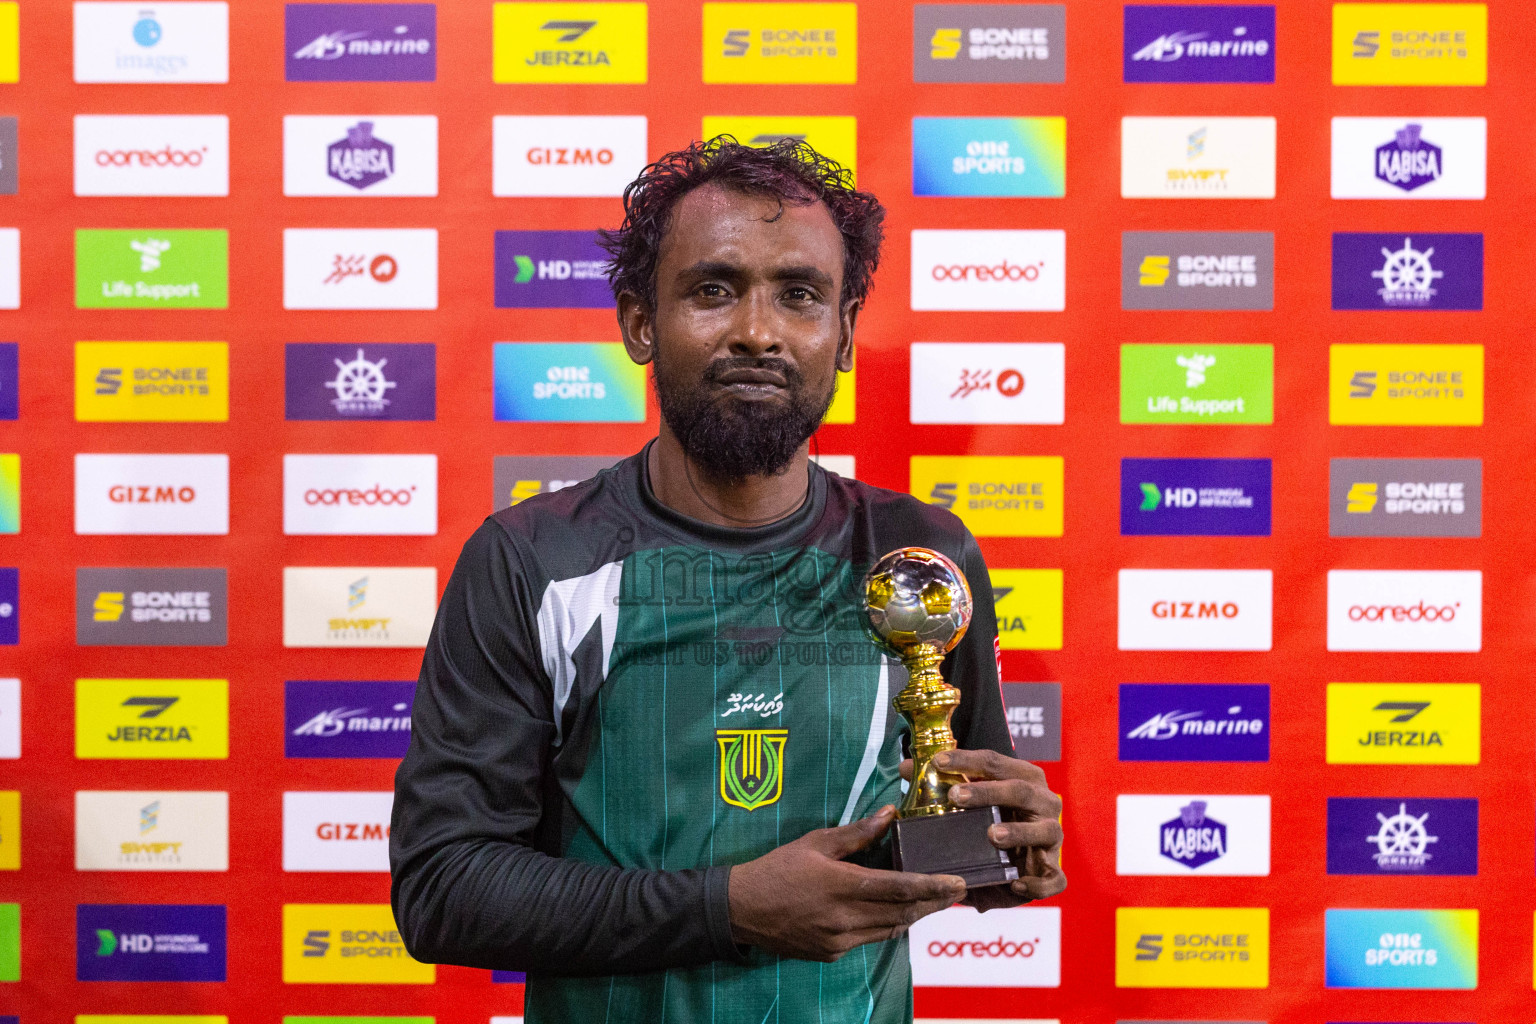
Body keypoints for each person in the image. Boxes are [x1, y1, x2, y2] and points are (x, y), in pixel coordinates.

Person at [390, 136, 1065, 1023]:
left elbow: (955, 838)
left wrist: (1011, 855)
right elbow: (444, 889)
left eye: (800, 295)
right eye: (713, 290)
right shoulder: (533, 560)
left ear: (847, 332)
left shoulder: (917, 557)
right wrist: (732, 908)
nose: (759, 331)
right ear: (638, 322)